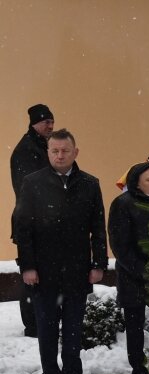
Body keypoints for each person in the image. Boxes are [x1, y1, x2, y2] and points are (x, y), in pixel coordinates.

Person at [14, 129, 108, 374]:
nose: (59, 155)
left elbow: (97, 228)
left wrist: (98, 263)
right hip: (44, 272)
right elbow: (24, 228)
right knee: (46, 330)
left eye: (65, 150)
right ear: (48, 152)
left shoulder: (90, 184)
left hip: (78, 271)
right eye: (54, 151)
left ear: (75, 152)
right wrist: (27, 266)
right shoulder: (33, 183)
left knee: (73, 330)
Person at [108, 162, 149, 374]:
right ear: (137, 183)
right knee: (134, 326)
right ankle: (139, 372)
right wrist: (143, 270)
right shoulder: (123, 204)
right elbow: (120, 245)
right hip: (133, 274)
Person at [10, 104, 55, 339]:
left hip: (47, 221)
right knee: (31, 274)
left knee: (42, 273)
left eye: (52, 121)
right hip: (31, 221)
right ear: (34, 123)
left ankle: (43, 320)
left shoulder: (45, 146)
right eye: (46, 121)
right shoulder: (26, 150)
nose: (50, 125)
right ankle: (33, 325)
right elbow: (28, 189)